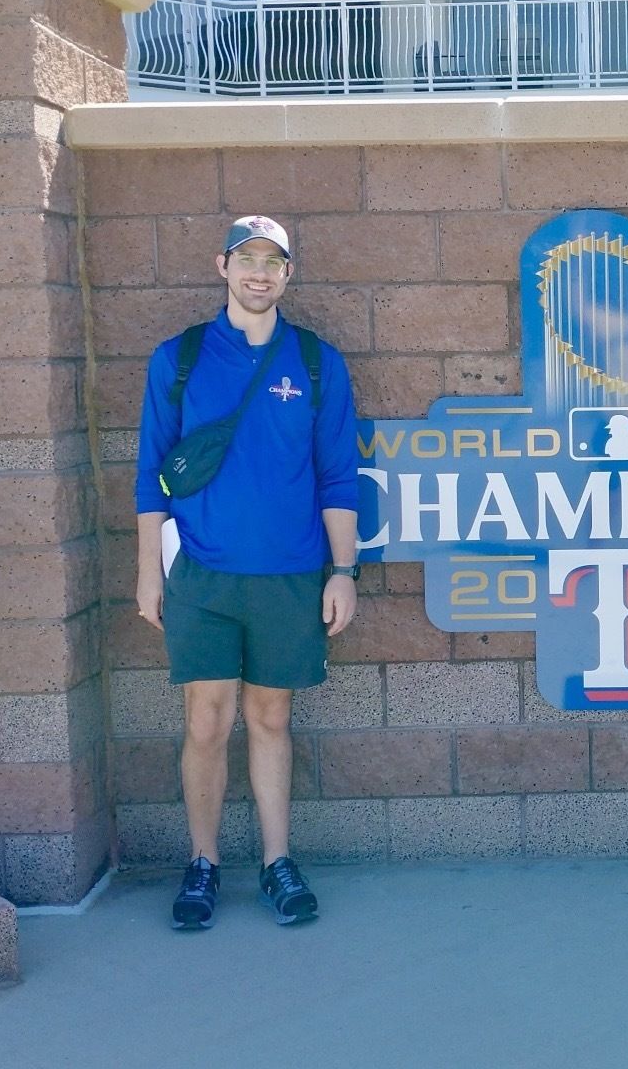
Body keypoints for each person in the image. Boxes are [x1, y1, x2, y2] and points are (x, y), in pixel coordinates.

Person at [135, 215, 361, 930]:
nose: (259, 273)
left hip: (291, 573)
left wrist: (344, 570)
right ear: (223, 267)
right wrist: (149, 575)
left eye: (273, 261)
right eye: (247, 260)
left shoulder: (317, 362)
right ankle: (202, 863)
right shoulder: (178, 358)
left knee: (270, 716)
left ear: (288, 274)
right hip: (201, 572)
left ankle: (275, 861)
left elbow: (338, 475)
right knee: (207, 721)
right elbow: (151, 475)